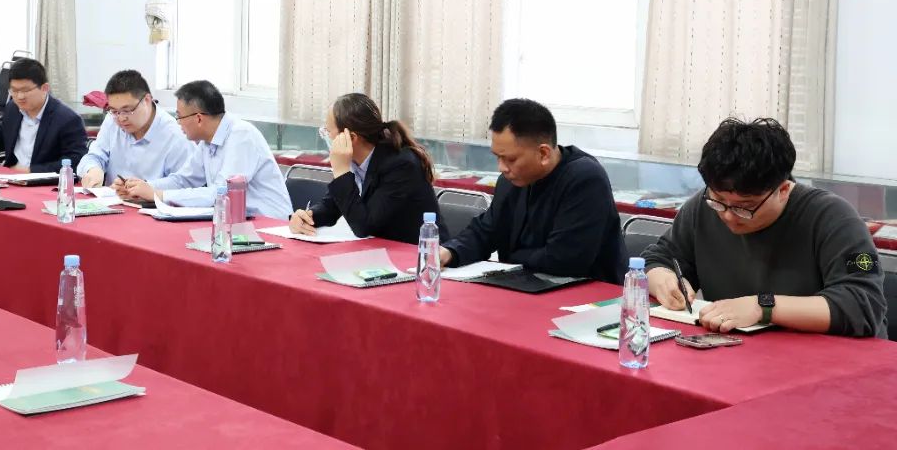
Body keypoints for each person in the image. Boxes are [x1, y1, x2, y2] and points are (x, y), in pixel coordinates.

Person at [642, 118, 887, 338]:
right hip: (742, 354)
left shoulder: (835, 218)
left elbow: (863, 305)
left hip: (833, 360)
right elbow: (658, 258)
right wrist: (663, 279)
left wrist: (764, 306)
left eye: (744, 207)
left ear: (784, 189)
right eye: (718, 201)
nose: (728, 215)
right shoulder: (703, 207)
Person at [440, 99, 627, 284]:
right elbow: (487, 231)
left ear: (543, 153)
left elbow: (564, 260)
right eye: (497, 157)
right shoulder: (510, 181)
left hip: (586, 293)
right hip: (525, 284)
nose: (501, 168)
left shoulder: (585, 179)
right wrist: (450, 252)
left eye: (510, 159)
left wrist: (511, 256)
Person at [287, 93, 447, 244]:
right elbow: (332, 206)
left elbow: (363, 226)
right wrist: (308, 217)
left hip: (419, 253)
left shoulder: (400, 165)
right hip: (380, 250)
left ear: (351, 137)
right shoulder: (354, 160)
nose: (326, 136)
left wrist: (341, 172)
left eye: (328, 131)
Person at [123, 80, 292, 220]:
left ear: (198, 119)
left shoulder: (242, 136)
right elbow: (183, 180)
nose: (178, 123)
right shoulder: (207, 141)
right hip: (235, 224)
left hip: (270, 226)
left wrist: (160, 195)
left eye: (179, 117)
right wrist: (142, 187)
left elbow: (222, 194)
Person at [76, 70, 193, 196]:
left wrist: (145, 187)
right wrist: (93, 169)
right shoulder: (112, 120)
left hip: (153, 205)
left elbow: (185, 183)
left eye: (127, 110)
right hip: (112, 202)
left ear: (147, 100)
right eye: (114, 111)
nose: (121, 118)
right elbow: (94, 156)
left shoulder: (175, 135)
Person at [0, 58, 88, 173]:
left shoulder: (68, 119)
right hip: (11, 176)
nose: (20, 97)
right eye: (14, 90)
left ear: (44, 88)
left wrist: (30, 171)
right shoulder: (12, 108)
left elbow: (76, 161)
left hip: (43, 181)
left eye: (25, 90)